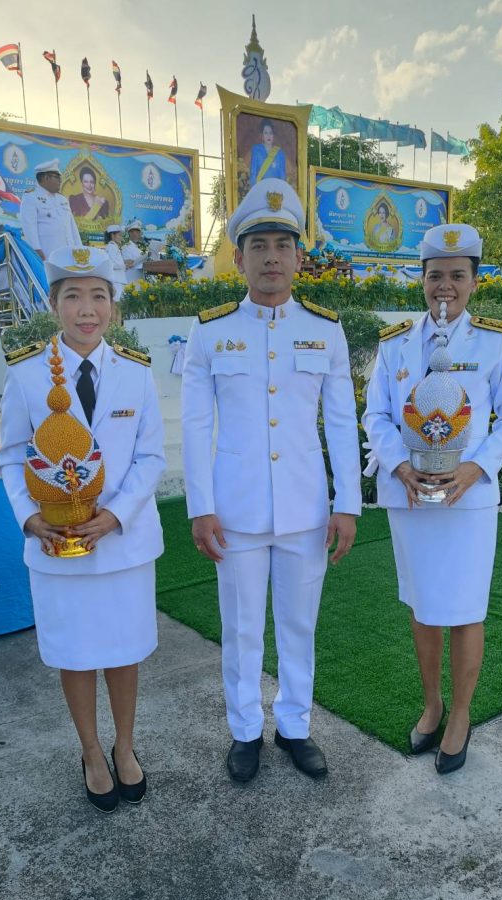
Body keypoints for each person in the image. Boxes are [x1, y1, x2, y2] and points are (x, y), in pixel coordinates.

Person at [181, 178, 362, 783]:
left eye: (283, 245)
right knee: (240, 629)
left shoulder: (325, 330)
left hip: (305, 508)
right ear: (239, 258)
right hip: (234, 511)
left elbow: (342, 422)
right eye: (259, 245)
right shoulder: (210, 331)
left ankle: (294, 726)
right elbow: (195, 425)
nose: (272, 257)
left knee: (299, 624)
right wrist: (200, 506)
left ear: (300, 257)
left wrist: (347, 503)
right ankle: (244, 731)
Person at [0, 246, 165, 812]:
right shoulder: (26, 375)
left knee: (123, 649)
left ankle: (124, 745)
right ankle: (91, 751)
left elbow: (151, 457)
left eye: (98, 296)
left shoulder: (136, 373)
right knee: (75, 652)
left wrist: (116, 515)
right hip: (56, 544)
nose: (86, 309)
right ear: (54, 305)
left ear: (112, 307)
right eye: (73, 296)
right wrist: (28, 517)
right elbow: (10, 455)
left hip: (123, 541)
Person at [362, 223, 502, 774]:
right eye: (436, 276)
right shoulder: (395, 343)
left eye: (458, 276)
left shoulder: (495, 340)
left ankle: (460, 714)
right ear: (423, 279)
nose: (445, 287)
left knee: (464, 608)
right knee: (423, 605)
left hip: (466, 500)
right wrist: (399, 464)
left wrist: (477, 467)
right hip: (411, 496)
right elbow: (376, 414)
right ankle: (432, 705)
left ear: (475, 281)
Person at [18, 159, 82, 261]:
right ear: (46, 178)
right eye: (57, 177)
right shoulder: (31, 197)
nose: (60, 180)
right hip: (47, 255)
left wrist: (80, 247)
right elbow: (29, 227)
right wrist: (35, 250)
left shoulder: (62, 199)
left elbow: (72, 227)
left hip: (69, 254)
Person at [249, 120, 287, 187]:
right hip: (260, 188)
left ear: (273, 135)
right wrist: (255, 189)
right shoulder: (256, 150)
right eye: (266, 133)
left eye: (271, 133)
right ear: (262, 135)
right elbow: (253, 173)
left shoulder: (280, 153)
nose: (268, 136)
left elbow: (282, 176)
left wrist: (281, 189)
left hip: (275, 190)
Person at [120, 220, 149, 286]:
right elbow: (128, 264)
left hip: (139, 278)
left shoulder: (138, 248)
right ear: (129, 234)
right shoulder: (126, 247)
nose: (135, 235)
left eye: (137, 232)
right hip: (131, 280)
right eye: (133, 232)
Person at [103, 224, 127, 301]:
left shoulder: (114, 247)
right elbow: (111, 264)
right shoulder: (111, 247)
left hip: (119, 280)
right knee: (117, 303)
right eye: (119, 235)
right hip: (117, 280)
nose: (121, 238)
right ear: (112, 235)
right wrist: (124, 265)